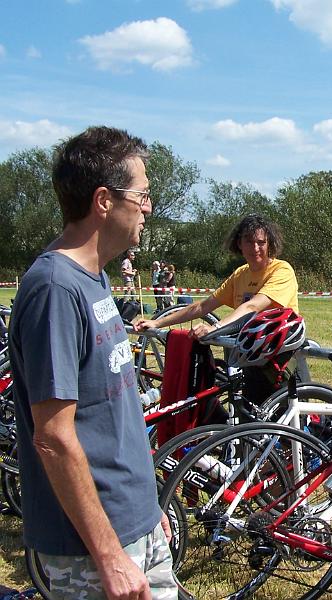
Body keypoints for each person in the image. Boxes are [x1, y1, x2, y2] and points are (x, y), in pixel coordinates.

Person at [9, 126, 177, 599]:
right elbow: (55, 438)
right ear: (104, 200)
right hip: (91, 550)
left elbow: (109, 412)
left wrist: (146, 507)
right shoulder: (55, 289)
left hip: (133, 522)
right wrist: (108, 553)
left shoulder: (93, 278)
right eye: (141, 195)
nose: (147, 207)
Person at [135, 214, 299, 400]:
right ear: (239, 244)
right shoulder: (240, 274)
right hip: (251, 360)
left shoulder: (281, 270)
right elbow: (202, 306)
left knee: (286, 424)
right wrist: (158, 323)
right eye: (249, 241)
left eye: (261, 242)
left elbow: (252, 306)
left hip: (280, 362)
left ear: (270, 244)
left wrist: (213, 329)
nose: (255, 248)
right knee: (251, 421)